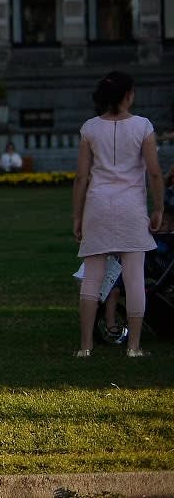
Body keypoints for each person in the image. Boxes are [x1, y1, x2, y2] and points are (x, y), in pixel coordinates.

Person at [72, 70, 164, 359]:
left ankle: (86, 346)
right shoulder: (143, 126)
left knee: (92, 278)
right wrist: (159, 208)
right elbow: (154, 173)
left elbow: (81, 178)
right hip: (131, 207)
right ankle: (133, 347)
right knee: (134, 278)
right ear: (127, 96)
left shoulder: (90, 128)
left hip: (98, 206)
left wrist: (77, 216)